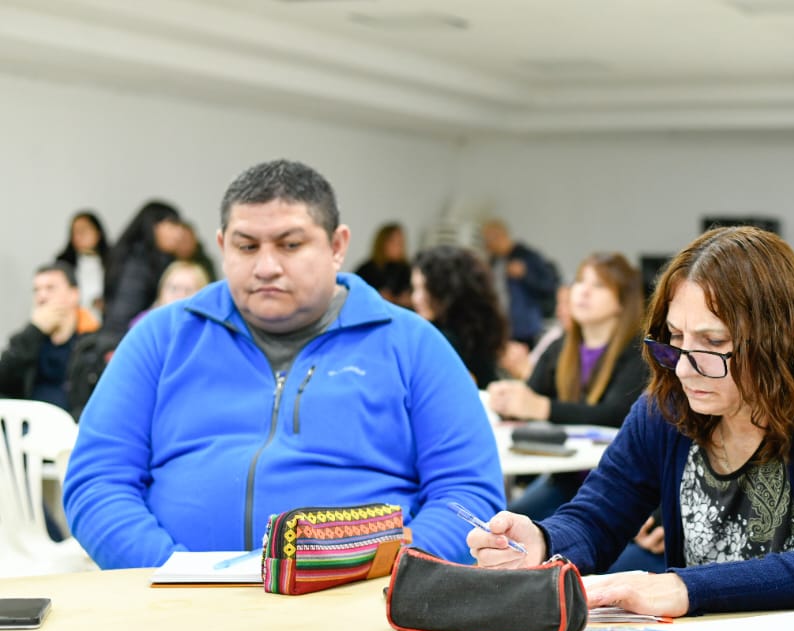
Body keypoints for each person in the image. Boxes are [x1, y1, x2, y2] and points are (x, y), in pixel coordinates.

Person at [63, 159, 505, 569]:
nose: (267, 266)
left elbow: (468, 495)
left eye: (290, 245)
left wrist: (392, 573)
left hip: (364, 610)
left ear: (337, 246)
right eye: (247, 246)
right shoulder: (161, 338)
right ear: (221, 247)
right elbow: (98, 482)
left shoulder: (413, 345)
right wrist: (169, 573)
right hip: (174, 604)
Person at [468, 226, 794, 616]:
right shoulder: (667, 406)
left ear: (775, 338)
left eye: (713, 342)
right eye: (674, 338)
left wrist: (678, 588)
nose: (685, 369)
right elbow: (597, 516)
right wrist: (542, 541)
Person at [488, 252, 649, 520]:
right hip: (566, 480)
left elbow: (615, 415)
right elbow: (531, 397)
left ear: (622, 301)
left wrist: (541, 408)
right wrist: (509, 401)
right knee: (504, 523)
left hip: (618, 485)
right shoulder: (561, 346)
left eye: (598, 286)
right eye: (579, 282)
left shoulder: (638, 351)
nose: (582, 292)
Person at [0, 262, 100, 412]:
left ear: (74, 295)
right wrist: (34, 330)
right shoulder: (29, 340)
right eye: (36, 290)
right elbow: (4, 380)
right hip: (27, 429)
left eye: (50, 288)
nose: (42, 296)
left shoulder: (93, 345)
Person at [411, 245, 507, 387]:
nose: (415, 298)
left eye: (423, 289)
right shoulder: (479, 327)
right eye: (414, 288)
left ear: (443, 289)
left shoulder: (443, 339)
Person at [101, 200, 187, 335]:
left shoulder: (152, 259)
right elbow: (121, 319)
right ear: (153, 226)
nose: (179, 233)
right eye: (172, 225)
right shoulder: (138, 263)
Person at [480, 218, 559, 348]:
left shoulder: (527, 256)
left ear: (499, 236)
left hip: (524, 328)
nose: (486, 245)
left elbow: (548, 285)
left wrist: (525, 275)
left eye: (488, 240)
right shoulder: (494, 262)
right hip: (500, 327)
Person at [54, 210, 111, 319]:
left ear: (98, 233)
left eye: (84, 230)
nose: (79, 236)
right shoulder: (63, 264)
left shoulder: (114, 262)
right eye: (75, 232)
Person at [355, 222, 412, 308]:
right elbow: (354, 294)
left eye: (400, 242)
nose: (398, 246)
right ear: (382, 243)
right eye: (393, 241)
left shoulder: (408, 270)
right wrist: (375, 296)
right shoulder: (366, 270)